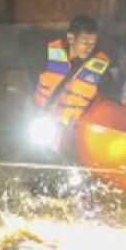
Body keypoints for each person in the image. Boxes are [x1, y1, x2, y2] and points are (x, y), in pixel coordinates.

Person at [30, 14, 113, 150]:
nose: (89, 48)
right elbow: (29, 83)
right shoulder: (46, 54)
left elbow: (107, 97)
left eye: (92, 43)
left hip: (70, 132)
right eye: (84, 42)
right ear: (70, 38)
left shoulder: (100, 67)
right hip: (39, 121)